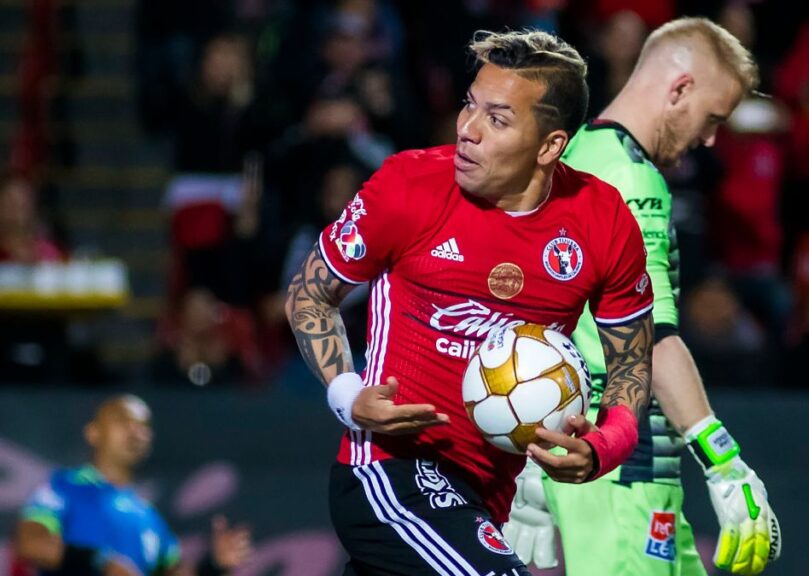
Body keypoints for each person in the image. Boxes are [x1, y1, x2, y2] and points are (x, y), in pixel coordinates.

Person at [284, 29, 656, 576]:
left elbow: (630, 361)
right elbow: (310, 293)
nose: (467, 130)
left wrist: (606, 445)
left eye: (497, 119)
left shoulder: (603, 223)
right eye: (469, 106)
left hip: (483, 494)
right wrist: (348, 394)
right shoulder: (409, 185)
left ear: (550, 145)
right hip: (390, 471)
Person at [502, 18, 781, 576]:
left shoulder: (577, 155)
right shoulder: (631, 180)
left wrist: (528, 465)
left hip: (598, 463)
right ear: (679, 89)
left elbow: (536, 310)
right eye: (713, 119)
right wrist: (724, 463)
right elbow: (649, 336)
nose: (708, 140)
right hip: (622, 472)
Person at [14, 394, 251, 576]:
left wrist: (213, 565)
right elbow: (31, 543)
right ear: (93, 432)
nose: (135, 430)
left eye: (143, 425)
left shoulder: (150, 518)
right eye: (121, 419)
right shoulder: (64, 488)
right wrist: (102, 563)